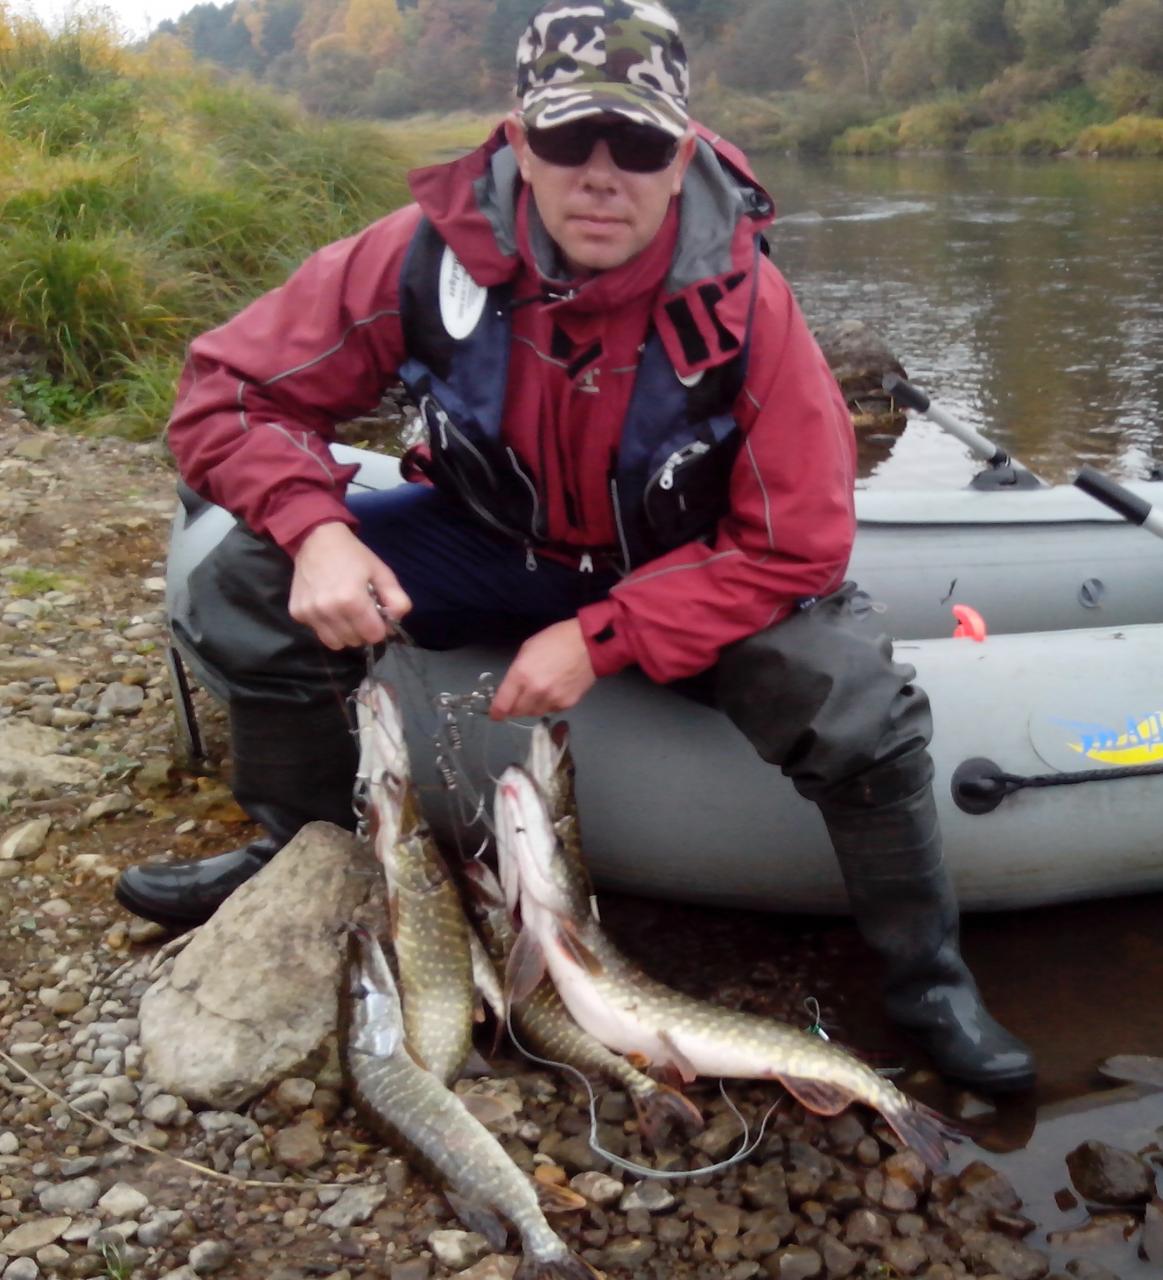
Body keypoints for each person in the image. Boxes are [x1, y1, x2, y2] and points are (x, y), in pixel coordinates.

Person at [115, 0, 1035, 1093]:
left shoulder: (748, 305)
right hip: (486, 537)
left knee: (851, 697)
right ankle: (298, 858)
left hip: (677, 567)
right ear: (518, 140)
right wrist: (314, 527)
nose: (601, 176)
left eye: (636, 146)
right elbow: (228, 389)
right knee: (250, 577)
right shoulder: (419, 259)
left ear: (680, 156)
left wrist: (601, 637)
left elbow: (796, 542)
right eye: (568, 139)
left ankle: (928, 984)